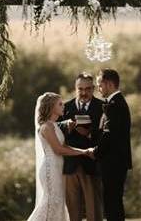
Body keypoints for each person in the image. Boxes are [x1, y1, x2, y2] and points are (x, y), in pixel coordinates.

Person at [27, 92, 93, 221]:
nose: (64, 106)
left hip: (58, 167)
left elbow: (64, 147)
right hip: (50, 169)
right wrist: (83, 152)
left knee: (57, 203)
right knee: (50, 202)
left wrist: (83, 150)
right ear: (51, 107)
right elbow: (59, 150)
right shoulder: (47, 127)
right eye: (60, 104)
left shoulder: (55, 125)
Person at [58, 72, 104, 221]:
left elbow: (107, 136)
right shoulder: (65, 107)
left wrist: (90, 134)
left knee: (94, 210)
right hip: (70, 165)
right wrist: (67, 127)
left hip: (92, 164)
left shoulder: (102, 107)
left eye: (88, 89)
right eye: (80, 89)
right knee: (72, 211)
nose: (84, 92)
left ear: (94, 88)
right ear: (75, 88)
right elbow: (53, 129)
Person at [92, 69, 132, 221]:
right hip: (114, 161)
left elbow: (109, 135)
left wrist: (95, 151)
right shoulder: (115, 103)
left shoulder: (115, 104)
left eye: (99, 85)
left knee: (112, 202)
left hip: (114, 162)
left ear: (108, 84)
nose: (98, 88)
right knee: (112, 201)